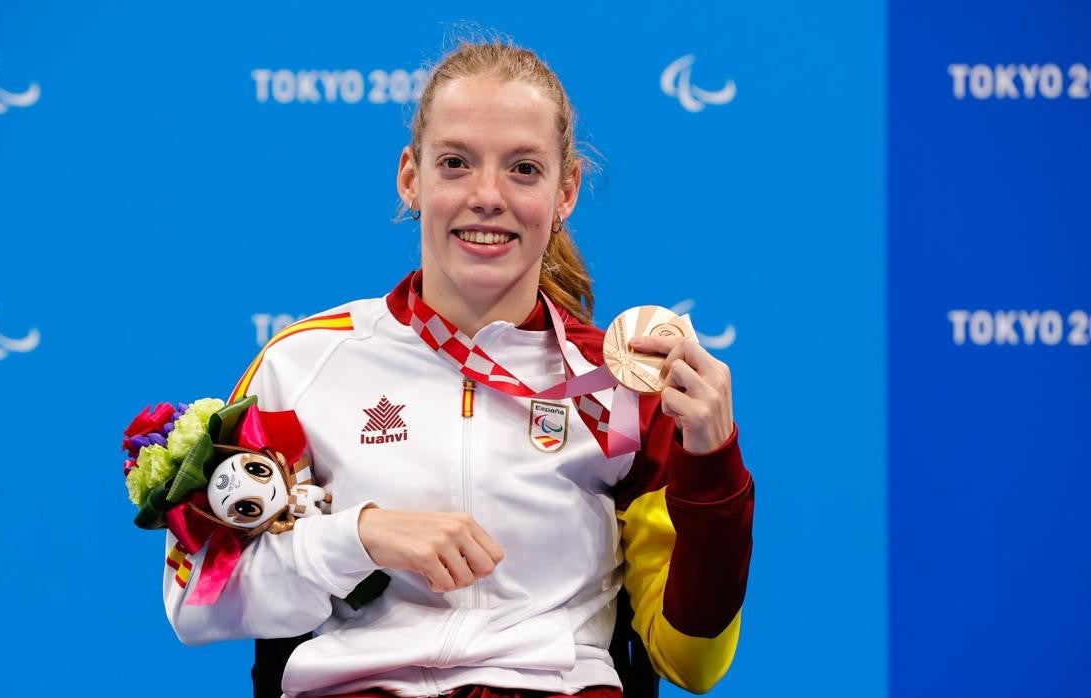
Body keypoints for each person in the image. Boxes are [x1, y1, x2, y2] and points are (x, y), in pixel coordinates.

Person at [164, 39, 754, 697]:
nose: (487, 196)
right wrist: (359, 536)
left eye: (524, 169)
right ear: (411, 178)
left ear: (566, 191)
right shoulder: (301, 365)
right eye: (455, 163)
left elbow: (693, 660)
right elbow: (197, 599)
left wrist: (712, 462)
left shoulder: (617, 387)